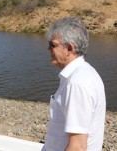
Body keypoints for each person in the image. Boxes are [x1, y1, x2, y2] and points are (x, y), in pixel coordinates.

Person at [41, 17, 106, 151]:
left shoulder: (77, 83)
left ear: (69, 48)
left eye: (52, 45)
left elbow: (78, 147)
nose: (48, 49)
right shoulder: (84, 73)